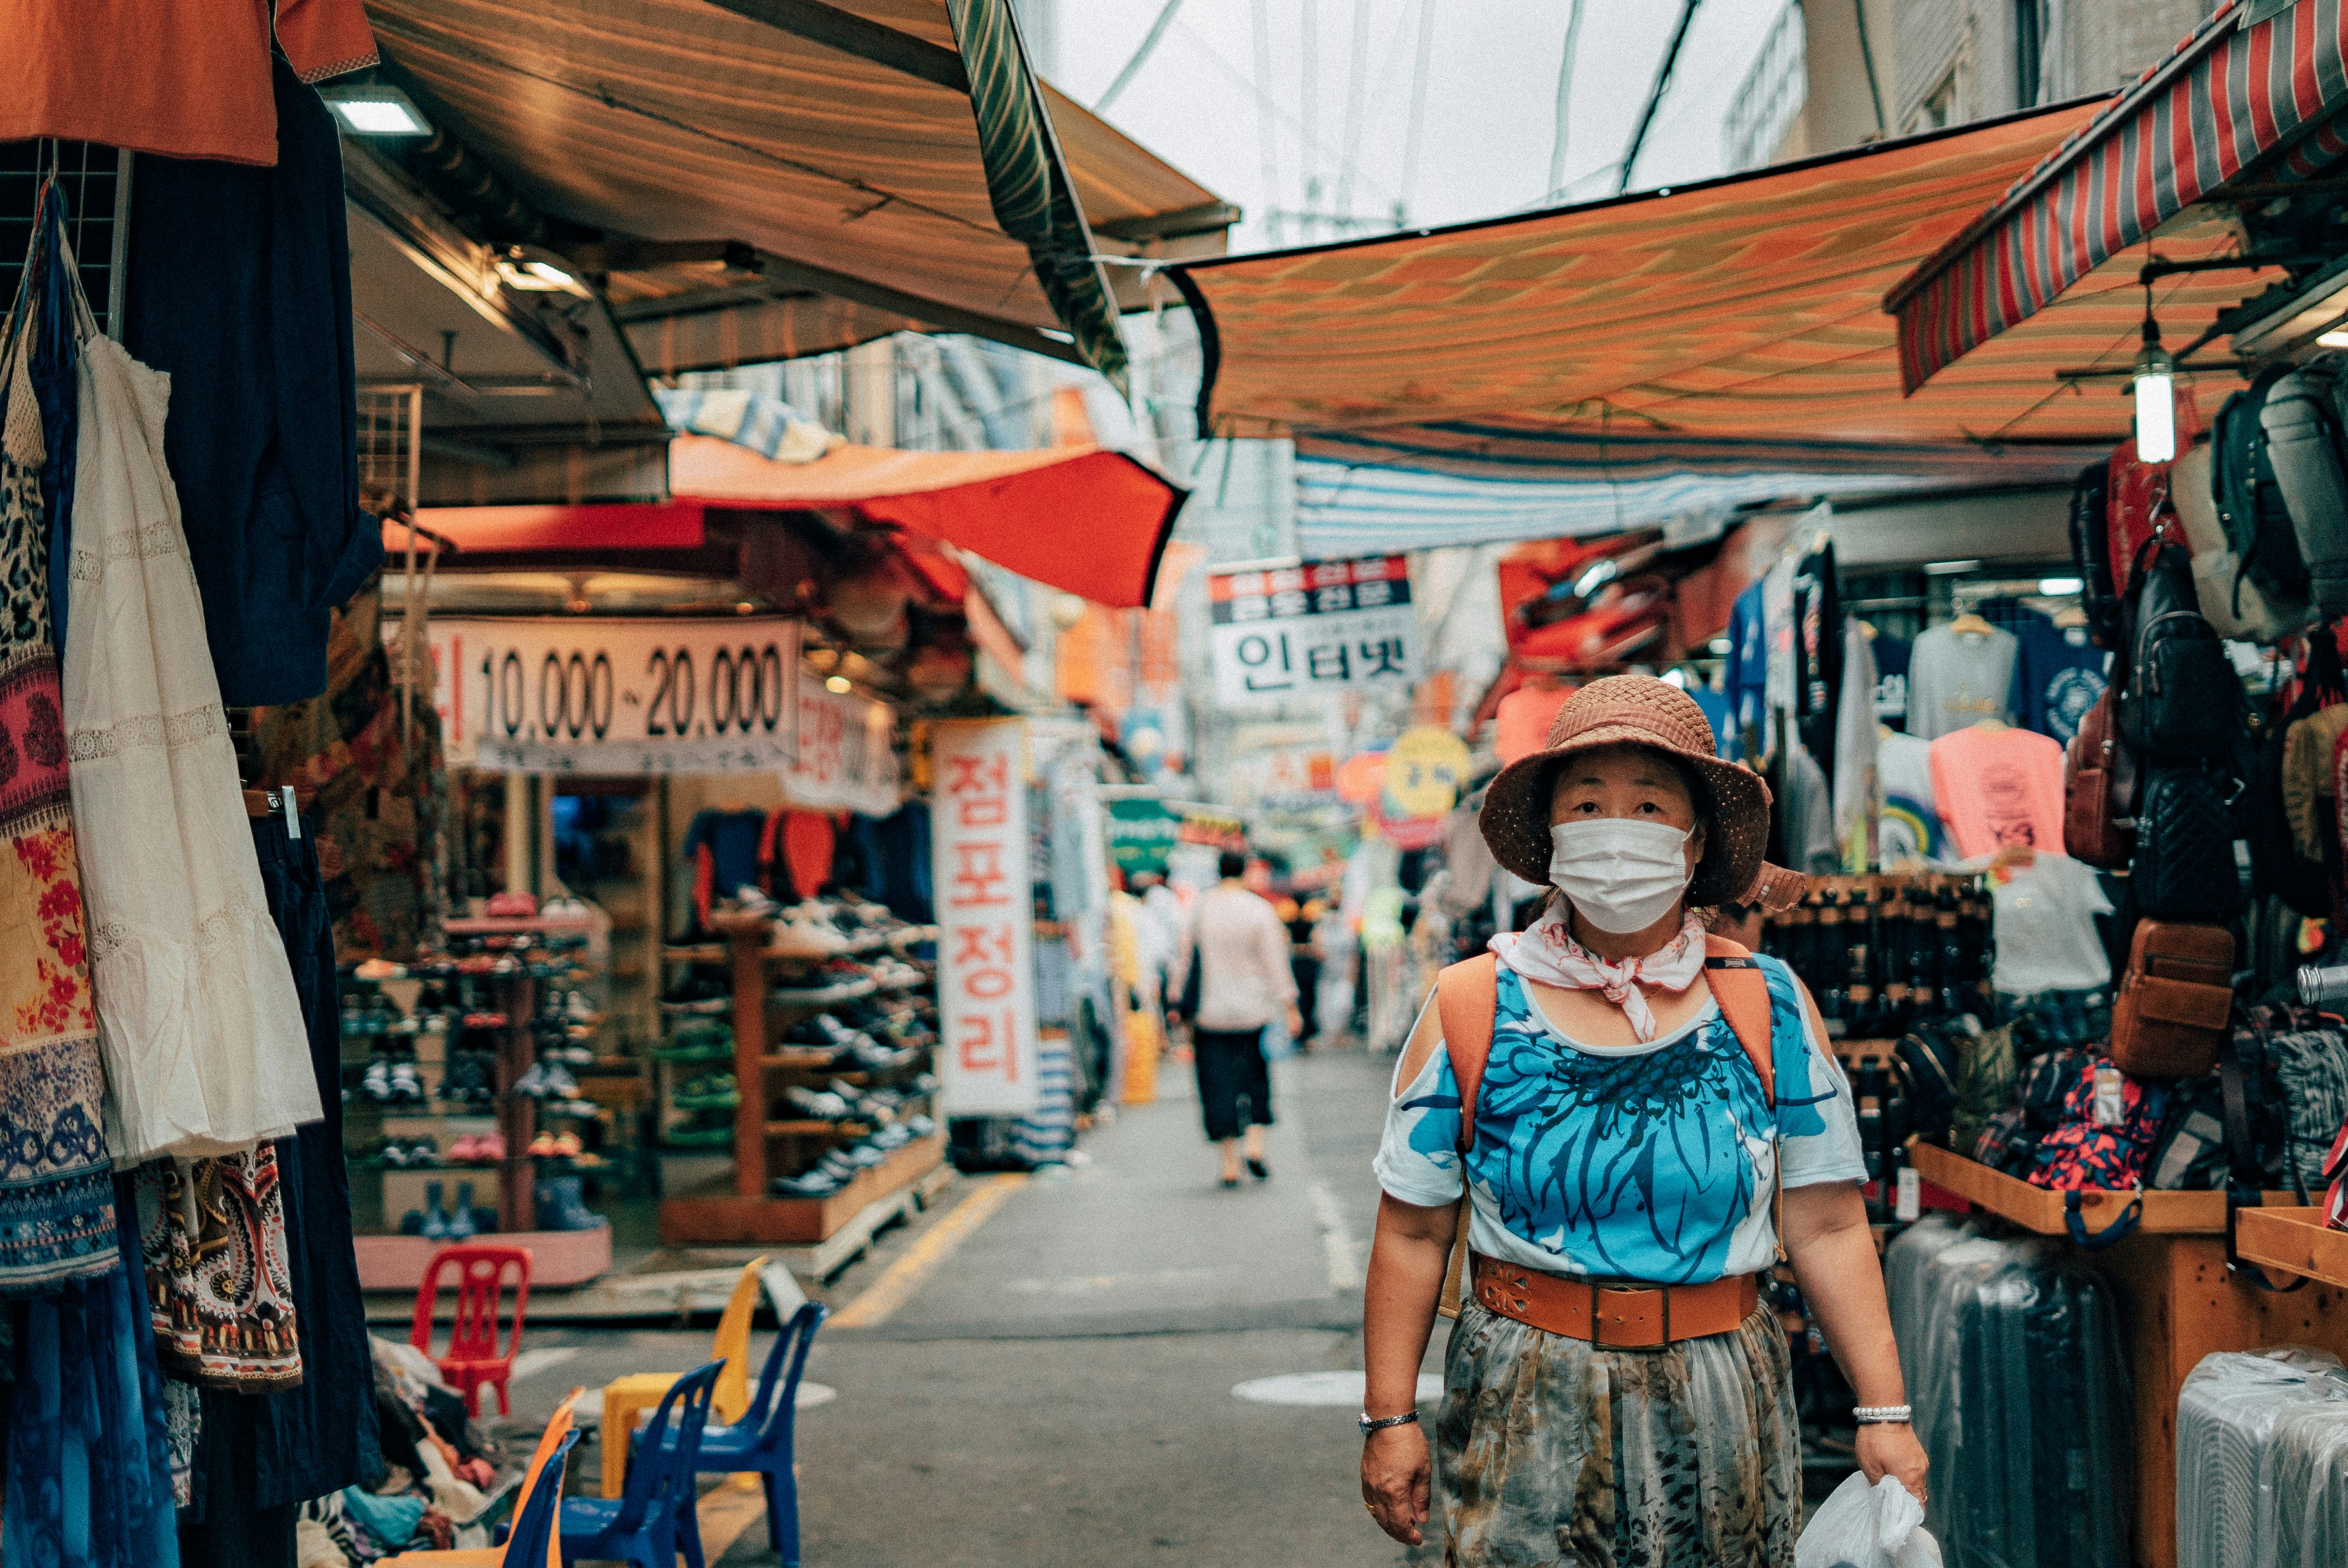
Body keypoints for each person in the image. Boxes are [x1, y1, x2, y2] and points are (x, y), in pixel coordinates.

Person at [1358, 676, 1928, 1564]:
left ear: (1696, 841)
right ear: (1551, 836)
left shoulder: (1767, 1006)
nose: (1615, 827)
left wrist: (1883, 1411)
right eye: (1587, 803)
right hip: (1525, 1399)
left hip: (1722, 1398)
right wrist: (1389, 1416)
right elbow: (1413, 1231)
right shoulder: (1472, 1005)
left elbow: (1826, 1227)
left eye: (1649, 804)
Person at [1176, 849, 1301, 1187]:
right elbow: (1276, 962)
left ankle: (1229, 1164)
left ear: (1218, 872)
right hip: (1253, 1012)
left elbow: (1186, 961)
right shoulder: (1259, 910)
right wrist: (1290, 1006)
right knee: (1255, 1080)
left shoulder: (1200, 909)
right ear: (1245, 872)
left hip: (1210, 1015)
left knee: (1216, 1086)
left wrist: (1176, 1002)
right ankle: (1255, 1147)